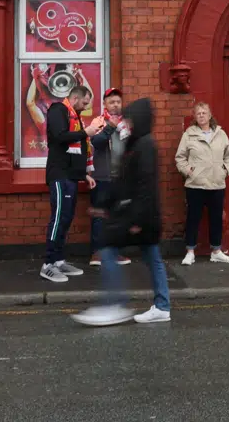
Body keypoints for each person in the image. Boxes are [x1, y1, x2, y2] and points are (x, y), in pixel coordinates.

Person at [72, 97, 171, 326]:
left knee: (107, 247)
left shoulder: (145, 146)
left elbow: (146, 187)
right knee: (152, 258)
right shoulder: (135, 143)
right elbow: (122, 181)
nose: (127, 122)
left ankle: (115, 304)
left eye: (130, 118)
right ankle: (161, 305)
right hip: (139, 215)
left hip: (141, 217)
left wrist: (137, 219)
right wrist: (103, 205)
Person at [41, 84, 103, 283]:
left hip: (72, 176)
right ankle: (47, 264)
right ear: (75, 98)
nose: (85, 107)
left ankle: (59, 260)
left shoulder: (76, 118)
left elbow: (77, 151)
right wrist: (87, 132)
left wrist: (85, 174)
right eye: (84, 102)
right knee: (58, 218)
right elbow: (60, 137)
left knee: (66, 219)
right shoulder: (58, 110)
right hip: (59, 175)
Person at [176, 101, 229, 265]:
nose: (201, 115)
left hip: (216, 183)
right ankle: (190, 251)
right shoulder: (189, 134)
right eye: (198, 113)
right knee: (193, 218)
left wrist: (224, 170)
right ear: (195, 117)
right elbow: (180, 157)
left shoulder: (220, 134)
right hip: (195, 184)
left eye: (204, 112)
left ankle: (216, 251)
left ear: (210, 115)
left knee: (216, 218)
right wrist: (189, 171)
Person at [88, 88, 131, 267]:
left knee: (116, 216)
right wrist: (110, 127)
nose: (115, 105)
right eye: (111, 102)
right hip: (102, 176)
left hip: (119, 178)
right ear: (105, 104)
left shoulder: (127, 124)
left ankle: (114, 252)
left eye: (118, 102)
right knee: (99, 216)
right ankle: (97, 253)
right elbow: (96, 143)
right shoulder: (99, 121)